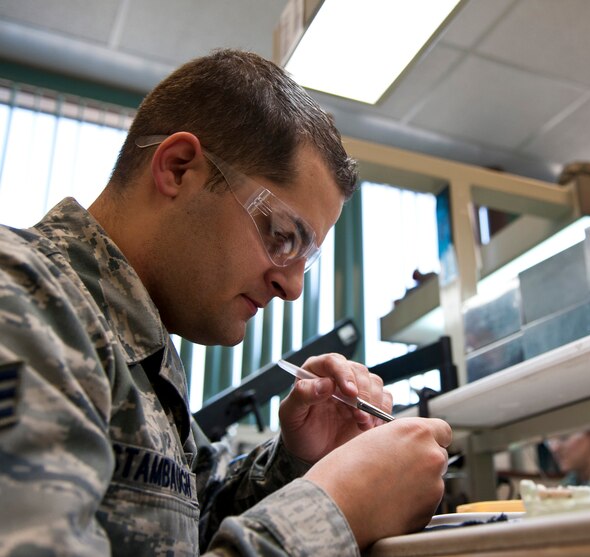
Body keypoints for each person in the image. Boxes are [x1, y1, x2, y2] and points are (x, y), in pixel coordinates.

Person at [0, 49, 452, 556]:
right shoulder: (18, 302)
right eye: (282, 236)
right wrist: (335, 510)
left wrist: (302, 461)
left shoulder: (141, 353)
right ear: (178, 168)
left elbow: (187, 524)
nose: (293, 288)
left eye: (307, 258)